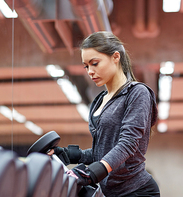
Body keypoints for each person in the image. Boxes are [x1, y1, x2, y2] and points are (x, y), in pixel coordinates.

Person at [53, 31, 160, 197]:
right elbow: (103, 150)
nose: (89, 71)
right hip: (109, 192)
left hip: (137, 191)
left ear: (115, 57)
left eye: (95, 63)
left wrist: (92, 172)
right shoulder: (98, 101)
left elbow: (128, 144)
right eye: (86, 66)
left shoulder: (137, 93)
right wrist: (72, 155)